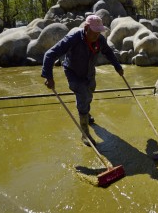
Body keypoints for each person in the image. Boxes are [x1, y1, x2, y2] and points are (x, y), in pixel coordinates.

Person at [41, 15, 124, 146]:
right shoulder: (73, 38)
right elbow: (50, 54)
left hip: (89, 73)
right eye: (94, 32)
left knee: (89, 93)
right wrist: (48, 76)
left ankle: (86, 114)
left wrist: (117, 67)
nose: (97, 35)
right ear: (86, 28)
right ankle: (85, 133)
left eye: (99, 32)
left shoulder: (99, 39)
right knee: (83, 94)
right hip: (73, 72)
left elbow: (108, 52)